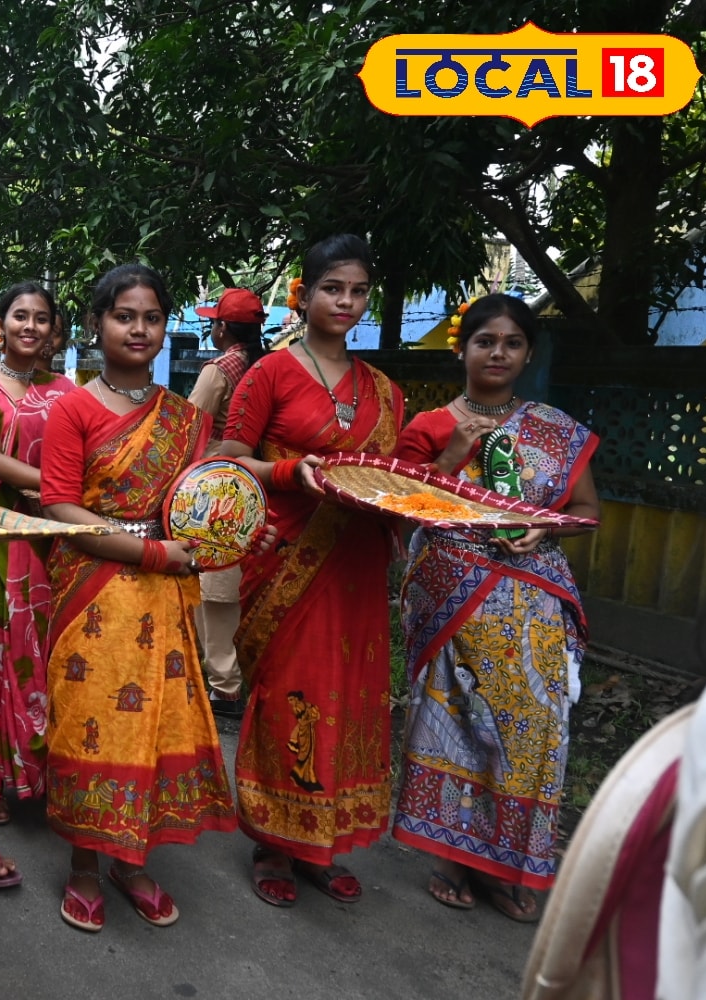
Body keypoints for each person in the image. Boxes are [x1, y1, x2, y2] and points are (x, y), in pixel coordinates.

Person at [390, 293, 600, 920]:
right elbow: (401, 508)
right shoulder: (427, 426)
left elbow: (588, 513)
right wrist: (454, 454)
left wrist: (545, 527)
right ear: (462, 349)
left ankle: (507, 865)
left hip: (533, 604)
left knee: (534, 731)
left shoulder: (554, 431)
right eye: (485, 341)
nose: (498, 353)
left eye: (511, 343)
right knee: (456, 726)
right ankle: (454, 858)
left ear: (528, 352)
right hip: (456, 601)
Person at [41, 263, 237, 933]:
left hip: (165, 596)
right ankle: (85, 866)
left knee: (153, 726)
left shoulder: (184, 420)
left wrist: (235, 530)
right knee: (93, 726)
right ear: (97, 325)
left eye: (152, 317)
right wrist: (149, 552)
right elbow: (62, 506)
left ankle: (132, 859)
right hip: (93, 590)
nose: (139, 328)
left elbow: (200, 508)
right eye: (125, 315)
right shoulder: (72, 407)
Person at [220, 233, 404, 908]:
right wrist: (288, 473)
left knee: (346, 699)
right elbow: (227, 458)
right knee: (292, 698)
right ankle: (275, 840)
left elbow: (393, 477)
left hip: (355, 566)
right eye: (334, 288)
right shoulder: (268, 374)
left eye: (358, 291)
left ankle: (321, 841)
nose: (347, 302)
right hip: (285, 558)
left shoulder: (385, 391)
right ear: (304, 294)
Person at [0, 282, 76, 856]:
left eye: (41, 319)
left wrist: (66, 501)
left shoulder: (69, 390)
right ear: (2, 325)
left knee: (49, 645)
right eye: (19, 317)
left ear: (53, 330)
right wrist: (56, 487)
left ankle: (42, 767)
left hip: (57, 539)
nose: (30, 327)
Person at [186, 287, 268, 721]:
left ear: (221, 328)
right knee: (242, 578)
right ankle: (238, 675)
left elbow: (190, 426)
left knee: (215, 586)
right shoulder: (269, 364)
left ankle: (224, 684)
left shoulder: (219, 370)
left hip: (218, 485)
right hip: (262, 483)